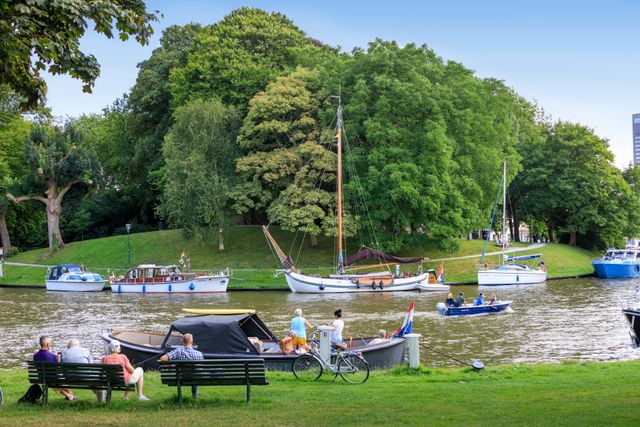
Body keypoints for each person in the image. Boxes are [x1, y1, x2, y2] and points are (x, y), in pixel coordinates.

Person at [160, 333, 202, 400]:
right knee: (195, 374)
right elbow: (200, 368)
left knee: (191, 374)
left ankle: (180, 398)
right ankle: (195, 397)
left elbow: (163, 358)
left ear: (183, 342)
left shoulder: (178, 351)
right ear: (191, 342)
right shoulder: (199, 354)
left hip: (181, 377)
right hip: (195, 377)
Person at [33, 336, 75, 401]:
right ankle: (70, 396)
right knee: (59, 378)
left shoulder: (35, 355)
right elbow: (58, 369)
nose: (51, 344)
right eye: (50, 343)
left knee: (55, 380)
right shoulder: (52, 356)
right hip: (53, 378)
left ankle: (70, 396)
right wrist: (58, 360)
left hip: (41, 378)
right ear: (47, 344)